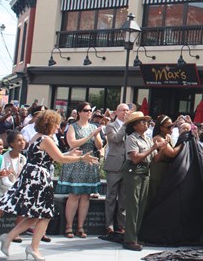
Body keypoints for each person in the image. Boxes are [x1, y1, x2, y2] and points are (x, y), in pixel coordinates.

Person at [0, 110, 98, 260]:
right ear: (50, 124)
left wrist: (71, 154)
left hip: (32, 177)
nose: (58, 127)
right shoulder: (46, 139)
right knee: (45, 214)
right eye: (56, 124)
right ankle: (33, 247)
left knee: (36, 215)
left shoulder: (37, 137)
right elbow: (60, 159)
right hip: (39, 179)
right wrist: (82, 158)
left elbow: (52, 157)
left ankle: (10, 237)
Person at [55, 101, 103, 239]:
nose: (89, 113)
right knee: (74, 195)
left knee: (85, 196)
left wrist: (95, 136)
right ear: (80, 112)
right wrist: (89, 136)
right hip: (76, 161)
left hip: (89, 162)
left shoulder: (94, 126)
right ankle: (69, 226)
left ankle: (80, 227)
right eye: (86, 110)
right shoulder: (72, 126)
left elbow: (99, 146)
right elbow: (72, 143)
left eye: (90, 110)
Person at [122, 111, 167, 251]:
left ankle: (135, 236)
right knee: (133, 205)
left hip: (145, 171)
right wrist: (153, 148)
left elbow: (155, 159)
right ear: (134, 126)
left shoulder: (147, 138)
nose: (145, 123)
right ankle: (129, 239)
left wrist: (161, 149)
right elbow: (135, 158)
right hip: (134, 171)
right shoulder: (131, 138)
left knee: (141, 205)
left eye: (146, 122)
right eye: (142, 122)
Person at [0, 131, 27, 242]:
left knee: (3, 205)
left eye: (2, 145)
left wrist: (2, 174)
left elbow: (1, 176)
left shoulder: (1, 158)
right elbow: (0, 179)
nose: (1, 147)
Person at [103, 103, 129, 235]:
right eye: (123, 110)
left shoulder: (131, 126)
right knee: (111, 196)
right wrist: (124, 125)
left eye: (127, 110)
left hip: (127, 165)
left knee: (123, 197)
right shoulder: (110, 126)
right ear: (116, 112)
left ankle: (122, 224)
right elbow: (115, 139)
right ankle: (109, 224)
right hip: (114, 165)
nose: (125, 112)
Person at [148, 114, 184, 208]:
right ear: (161, 128)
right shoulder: (158, 138)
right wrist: (183, 143)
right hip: (158, 170)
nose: (171, 129)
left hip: (166, 169)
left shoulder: (167, 137)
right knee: (154, 196)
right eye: (168, 127)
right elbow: (171, 153)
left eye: (172, 125)